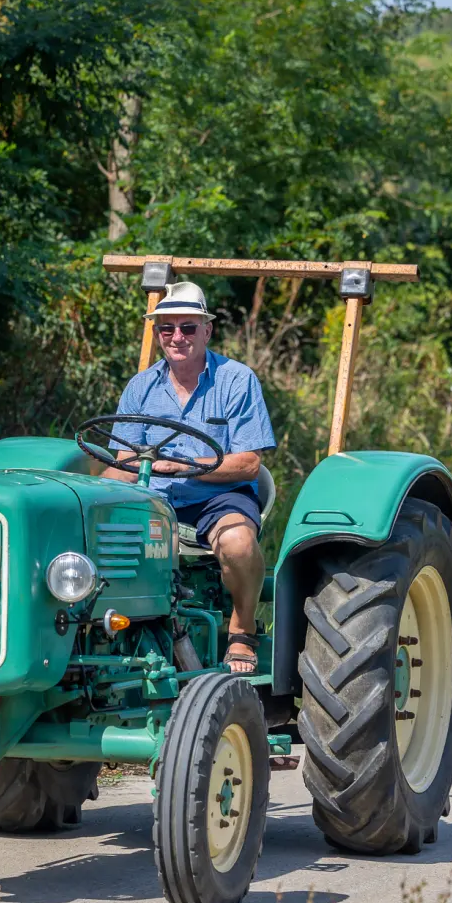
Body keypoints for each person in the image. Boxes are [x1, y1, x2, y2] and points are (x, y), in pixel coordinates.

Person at [103, 281, 276, 673]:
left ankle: (242, 631)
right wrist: (88, 492)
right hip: (156, 499)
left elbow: (249, 463)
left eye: (188, 327)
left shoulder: (236, 380)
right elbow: (125, 462)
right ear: (157, 333)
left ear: (207, 330)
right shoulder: (141, 387)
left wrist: (185, 465)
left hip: (219, 496)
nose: (177, 336)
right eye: (167, 328)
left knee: (237, 543)